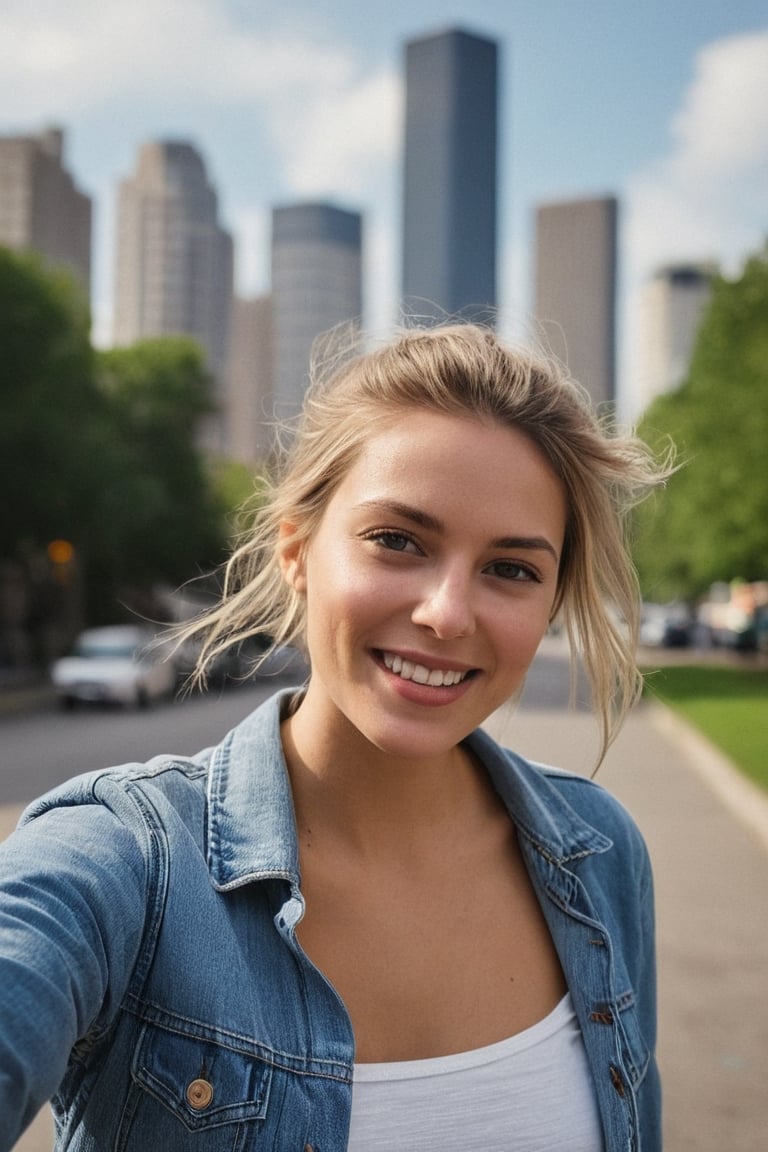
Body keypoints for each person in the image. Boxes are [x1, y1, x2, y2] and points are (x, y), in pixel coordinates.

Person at [0, 323, 667, 1150]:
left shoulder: (602, 855)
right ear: (297, 550)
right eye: (398, 540)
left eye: (511, 568)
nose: (447, 613)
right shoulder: (121, 864)